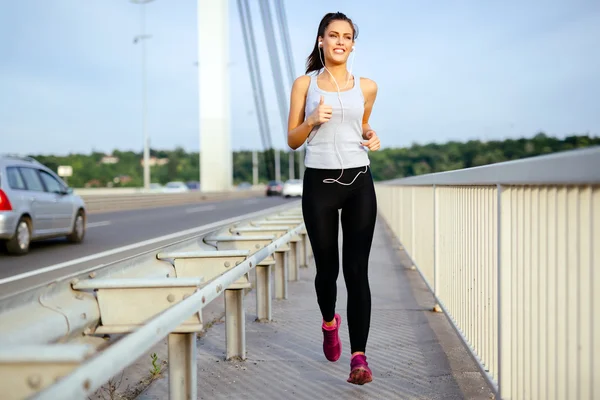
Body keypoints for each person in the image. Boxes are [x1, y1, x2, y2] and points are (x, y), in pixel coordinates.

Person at [287, 11, 380, 385]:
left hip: (360, 180)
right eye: (333, 35)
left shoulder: (368, 86)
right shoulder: (305, 85)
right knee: (329, 272)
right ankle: (329, 322)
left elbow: (362, 125)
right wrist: (311, 121)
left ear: (352, 43)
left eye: (347, 36)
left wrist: (372, 135)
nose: (340, 41)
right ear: (321, 41)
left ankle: (359, 357)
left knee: (357, 271)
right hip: (319, 184)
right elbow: (292, 139)